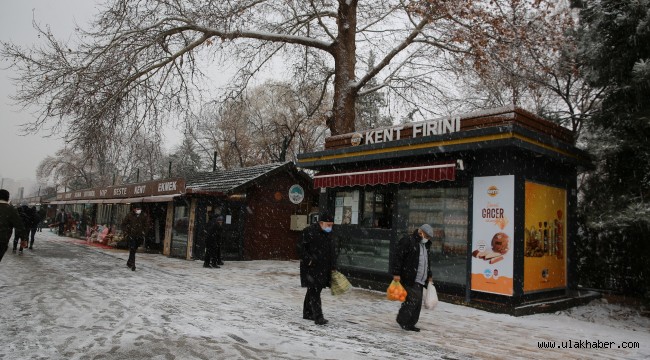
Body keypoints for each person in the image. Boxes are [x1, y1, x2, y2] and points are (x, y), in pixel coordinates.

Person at [392, 224, 434, 332]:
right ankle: (403, 320)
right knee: (413, 300)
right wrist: (396, 273)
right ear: (421, 232)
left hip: (420, 279)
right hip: (410, 277)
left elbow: (426, 262)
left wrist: (429, 275)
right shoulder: (408, 241)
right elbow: (398, 257)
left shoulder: (425, 245)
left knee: (417, 302)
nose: (427, 239)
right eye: (427, 236)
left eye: (429, 237)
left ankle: (410, 323)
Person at [300, 213, 337, 326]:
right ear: (321, 223)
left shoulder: (328, 234)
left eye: (331, 225)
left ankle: (307, 313)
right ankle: (318, 317)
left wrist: (333, 266)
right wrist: (309, 260)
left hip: (324, 267)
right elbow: (300, 247)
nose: (330, 227)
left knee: (314, 289)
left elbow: (331, 251)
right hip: (311, 267)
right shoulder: (309, 231)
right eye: (328, 224)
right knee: (315, 290)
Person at [121, 205, 151, 271]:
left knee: (133, 250)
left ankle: (129, 262)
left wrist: (144, 232)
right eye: (137, 209)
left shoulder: (144, 216)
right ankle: (133, 264)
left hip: (139, 236)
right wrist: (126, 233)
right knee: (132, 248)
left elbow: (147, 225)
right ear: (134, 209)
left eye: (139, 208)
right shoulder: (130, 215)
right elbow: (123, 224)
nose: (138, 210)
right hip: (131, 235)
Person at [0, 189, 26, 263]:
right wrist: (23, 239)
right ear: (7, 198)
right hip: (2, 240)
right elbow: (19, 225)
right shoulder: (11, 209)